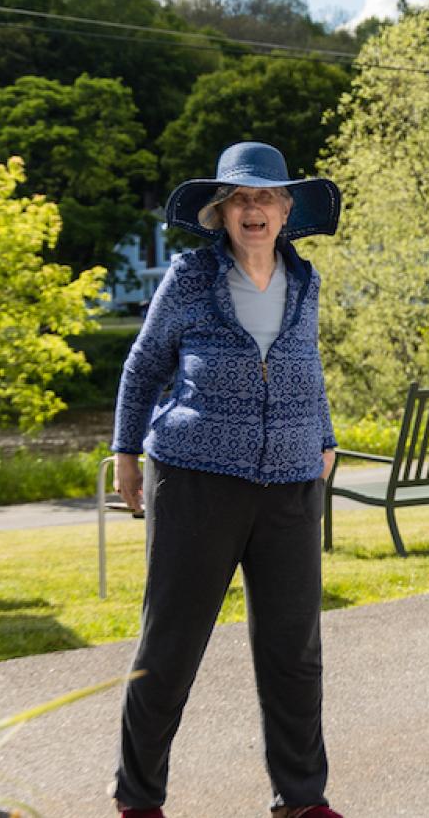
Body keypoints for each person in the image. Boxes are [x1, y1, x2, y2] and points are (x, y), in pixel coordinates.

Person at [109, 141, 346, 818]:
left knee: (294, 654)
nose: (254, 209)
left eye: (266, 197)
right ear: (220, 211)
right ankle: (138, 797)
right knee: (172, 645)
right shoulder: (188, 277)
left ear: (286, 209)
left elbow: (307, 364)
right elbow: (143, 365)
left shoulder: (305, 281)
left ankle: (302, 800)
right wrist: (126, 452)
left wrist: (325, 439)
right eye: (241, 197)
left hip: (292, 484)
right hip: (195, 481)